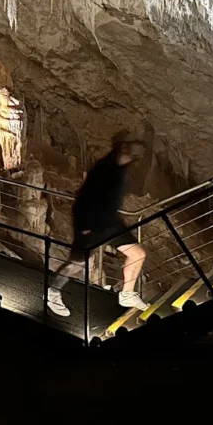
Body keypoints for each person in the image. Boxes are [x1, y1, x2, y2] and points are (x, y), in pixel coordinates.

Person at [47, 133, 149, 317]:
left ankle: (127, 294)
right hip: (91, 223)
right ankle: (53, 292)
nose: (140, 153)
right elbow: (85, 197)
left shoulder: (120, 168)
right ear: (124, 148)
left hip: (109, 222)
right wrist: (85, 225)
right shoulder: (105, 169)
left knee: (137, 253)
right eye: (136, 148)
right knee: (78, 262)